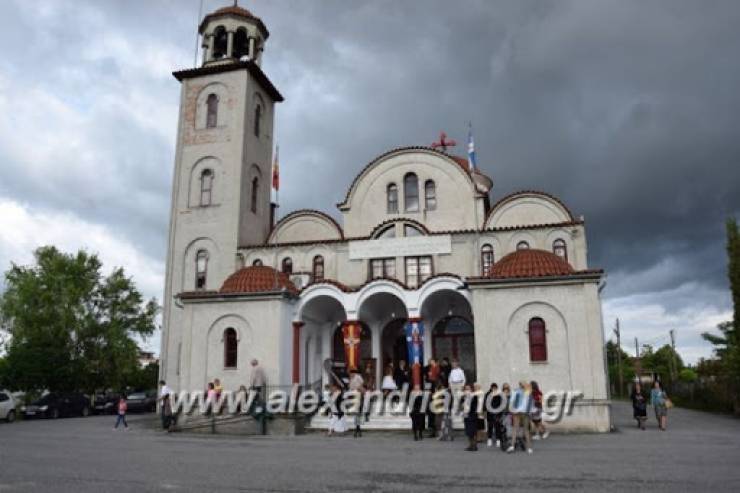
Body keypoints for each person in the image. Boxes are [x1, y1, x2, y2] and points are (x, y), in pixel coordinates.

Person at [507, 380, 533, 454]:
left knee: (522, 429)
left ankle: (527, 447)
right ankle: (514, 446)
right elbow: (512, 400)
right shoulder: (523, 391)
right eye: (523, 384)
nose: (523, 385)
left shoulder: (525, 391)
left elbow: (530, 402)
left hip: (522, 412)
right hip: (520, 412)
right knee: (520, 429)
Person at [485, 383, 505, 448]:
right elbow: (485, 403)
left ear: (496, 388)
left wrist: (500, 412)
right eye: (492, 388)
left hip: (497, 413)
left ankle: (498, 440)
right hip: (490, 413)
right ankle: (489, 439)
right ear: (491, 388)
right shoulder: (488, 394)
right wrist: (485, 411)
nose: (494, 389)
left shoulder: (499, 395)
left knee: (497, 427)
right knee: (490, 427)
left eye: (495, 388)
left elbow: (501, 404)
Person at [463, 384, 480, 451]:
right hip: (466, 416)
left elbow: (476, 406)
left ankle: (474, 445)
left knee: (473, 431)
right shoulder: (464, 397)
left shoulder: (474, 396)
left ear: (471, 390)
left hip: (472, 415)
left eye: (468, 389)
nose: (467, 390)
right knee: (468, 431)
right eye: (466, 389)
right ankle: (470, 445)